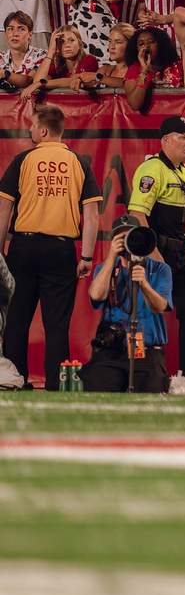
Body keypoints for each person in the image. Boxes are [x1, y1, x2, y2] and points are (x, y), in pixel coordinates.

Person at [0, 104, 102, 389]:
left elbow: (4, 209)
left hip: (24, 246)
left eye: (33, 126)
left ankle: (14, 381)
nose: (30, 129)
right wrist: (86, 256)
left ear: (44, 131)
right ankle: (58, 387)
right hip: (61, 250)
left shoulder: (23, 160)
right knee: (57, 324)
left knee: (17, 321)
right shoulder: (79, 163)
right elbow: (92, 216)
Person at [122, 116, 185, 383]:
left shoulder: (184, 171)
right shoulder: (152, 169)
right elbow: (137, 213)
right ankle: (141, 378)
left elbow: (181, 222)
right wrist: (154, 256)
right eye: (182, 137)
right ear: (166, 140)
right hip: (155, 256)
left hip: (178, 255)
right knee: (145, 318)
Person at [82, 219, 174, 394]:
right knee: (95, 388)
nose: (126, 241)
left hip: (147, 352)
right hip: (112, 350)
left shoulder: (160, 269)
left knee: (150, 393)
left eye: (131, 235)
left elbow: (160, 306)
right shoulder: (105, 268)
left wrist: (145, 284)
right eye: (120, 237)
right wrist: (111, 257)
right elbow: (96, 295)